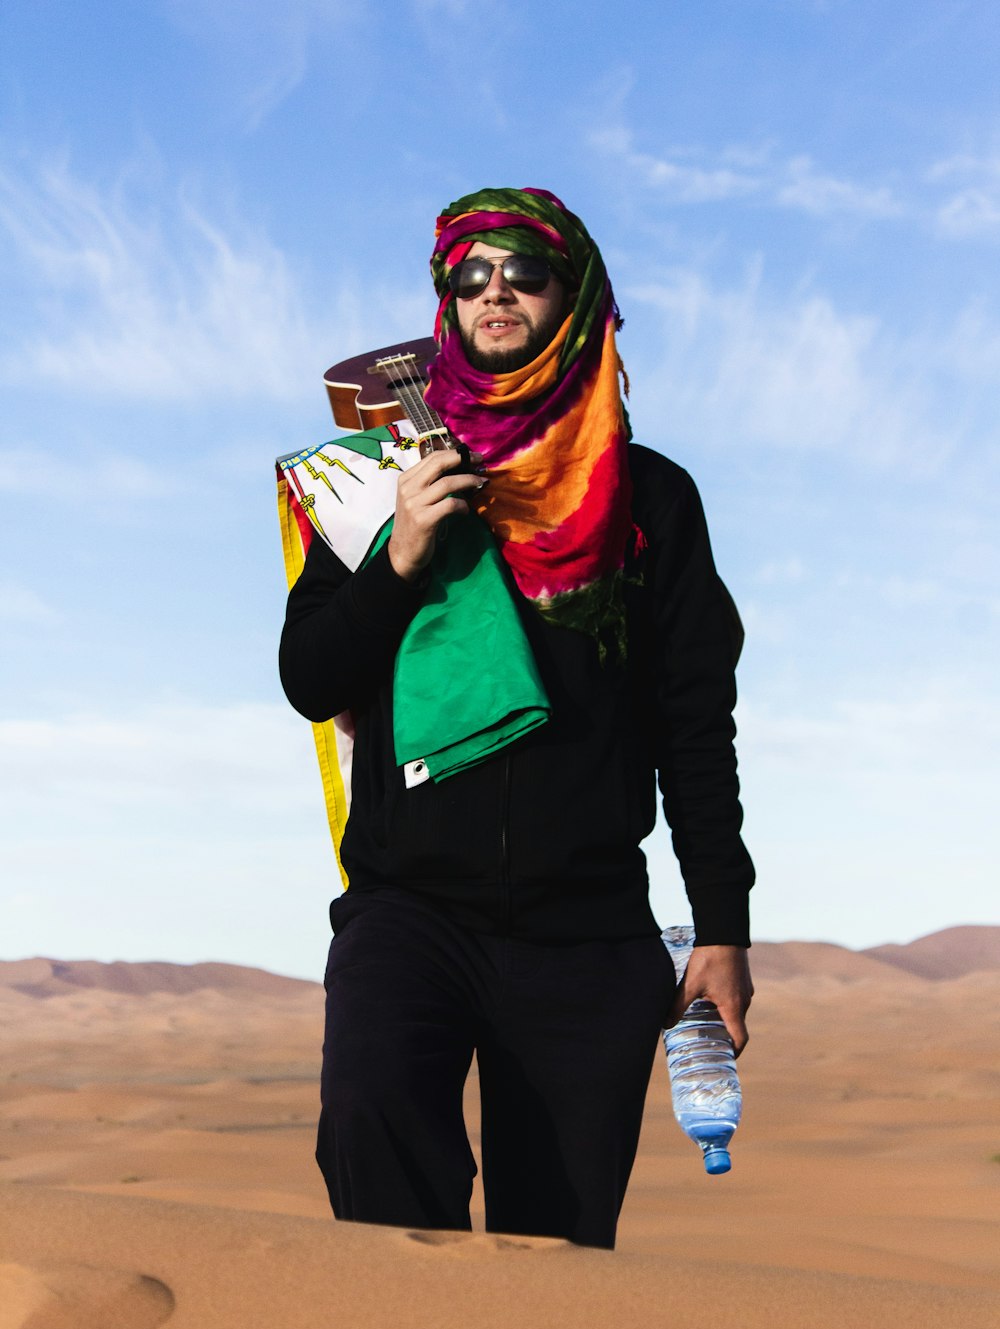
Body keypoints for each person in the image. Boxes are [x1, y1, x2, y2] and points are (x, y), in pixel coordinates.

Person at [279, 187, 754, 1250]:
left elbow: (693, 725)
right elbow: (311, 678)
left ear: (575, 297)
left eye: (524, 271)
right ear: (445, 304)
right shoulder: (375, 487)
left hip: (586, 934)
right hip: (411, 911)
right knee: (372, 1142)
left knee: (559, 1252)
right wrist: (398, 556)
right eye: (468, 274)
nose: (494, 291)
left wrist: (721, 922)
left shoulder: (651, 503)